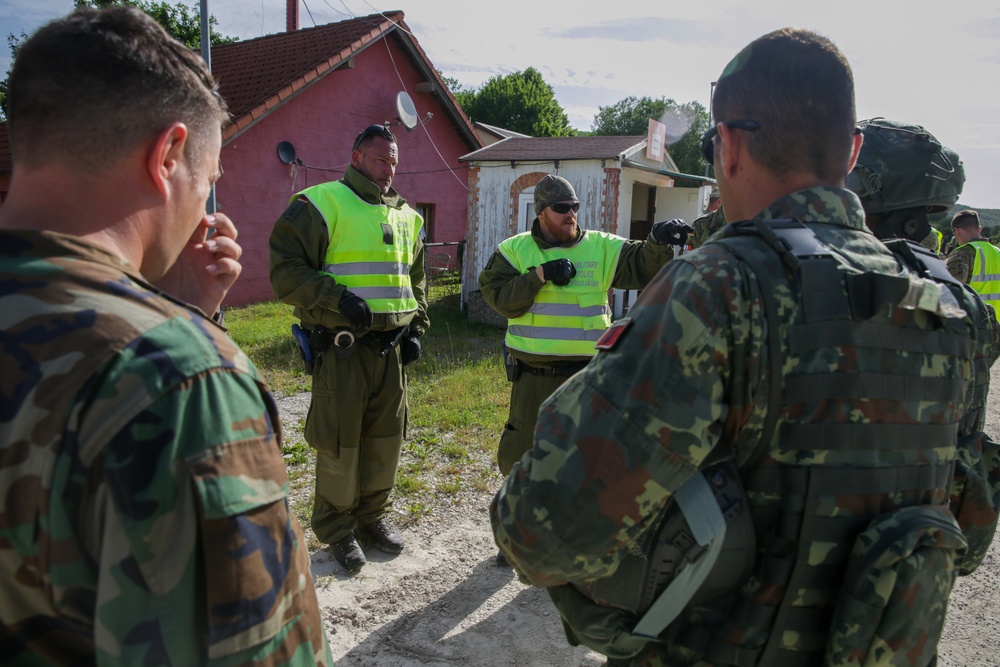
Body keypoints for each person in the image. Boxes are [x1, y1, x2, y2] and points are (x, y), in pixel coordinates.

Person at [492, 28, 981, 666]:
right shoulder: (948, 311)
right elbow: (970, 535)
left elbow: (542, 532)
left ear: (728, 145)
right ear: (853, 150)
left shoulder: (720, 288)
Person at [0, 8, 330, 665]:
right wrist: (176, 332)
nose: (205, 209)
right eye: (208, 184)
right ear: (168, 155)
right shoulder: (181, 379)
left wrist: (175, 305)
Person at [269, 124, 428, 574]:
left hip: (391, 350)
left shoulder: (408, 216)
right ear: (357, 157)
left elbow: (415, 279)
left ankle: (370, 516)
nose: (389, 168)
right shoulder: (319, 204)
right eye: (381, 160)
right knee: (340, 441)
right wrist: (338, 299)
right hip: (342, 349)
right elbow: (285, 271)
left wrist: (417, 325)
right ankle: (337, 529)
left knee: (385, 439)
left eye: (394, 161)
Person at [478, 173, 684, 483]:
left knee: (588, 461)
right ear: (542, 211)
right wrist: (539, 276)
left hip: (589, 377)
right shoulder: (515, 250)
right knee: (526, 458)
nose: (571, 213)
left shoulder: (600, 247)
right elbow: (499, 297)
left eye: (574, 206)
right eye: (561, 207)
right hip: (534, 379)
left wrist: (658, 241)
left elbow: (643, 264)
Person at [947, 209, 1000, 308]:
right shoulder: (997, 251)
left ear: (957, 230)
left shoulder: (962, 253)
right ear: (979, 229)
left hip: (976, 319)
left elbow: (951, 291)